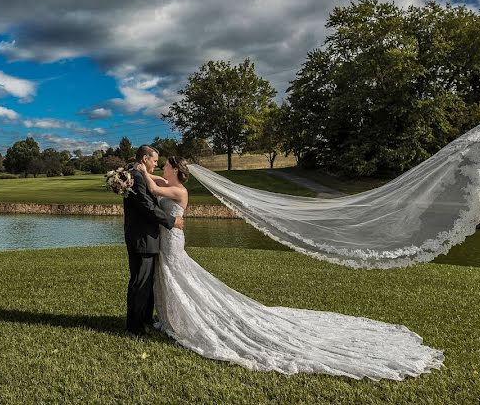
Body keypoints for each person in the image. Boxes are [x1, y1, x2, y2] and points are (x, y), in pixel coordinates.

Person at [135, 156, 445, 381]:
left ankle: (183, 319)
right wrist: (143, 175)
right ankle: (172, 318)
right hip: (169, 237)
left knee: (178, 276)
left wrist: (137, 171)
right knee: (171, 277)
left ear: (175, 169)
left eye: (166, 165)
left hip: (173, 240)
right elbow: (156, 184)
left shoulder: (177, 191)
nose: (161, 168)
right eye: (159, 165)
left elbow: (154, 186)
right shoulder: (170, 183)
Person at [122, 145, 184, 337]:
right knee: (140, 283)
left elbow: (157, 186)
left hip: (148, 238)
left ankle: (145, 319)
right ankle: (135, 327)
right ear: (144, 159)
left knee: (146, 283)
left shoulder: (137, 175)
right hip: (142, 238)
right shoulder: (137, 177)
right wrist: (172, 221)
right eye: (154, 160)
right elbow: (147, 208)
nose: (156, 164)